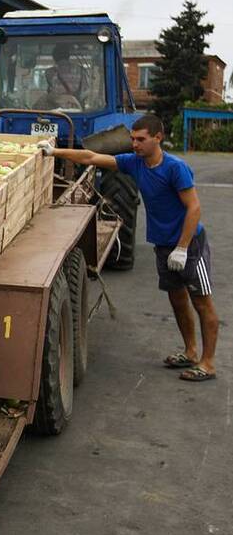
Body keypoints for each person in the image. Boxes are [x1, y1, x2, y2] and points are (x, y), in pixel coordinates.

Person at [39, 114, 218, 381]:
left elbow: (194, 208)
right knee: (177, 299)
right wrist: (53, 151)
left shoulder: (174, 168)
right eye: (133, 139)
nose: (135, 144)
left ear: (158, 137)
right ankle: (191, 352)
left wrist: (182, 247)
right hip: (163, 243)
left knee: (201, 302)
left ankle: (208, 363)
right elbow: (90, 158)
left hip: (188, 244)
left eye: (141, 139)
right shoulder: (135, 163)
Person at [41, 43, 87, 110]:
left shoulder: (49, 72)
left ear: (54, 57)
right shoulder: (81, 70)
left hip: (55, 109)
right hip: (76, 107)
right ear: (68, 56)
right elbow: (85, 91)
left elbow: (49, 91)